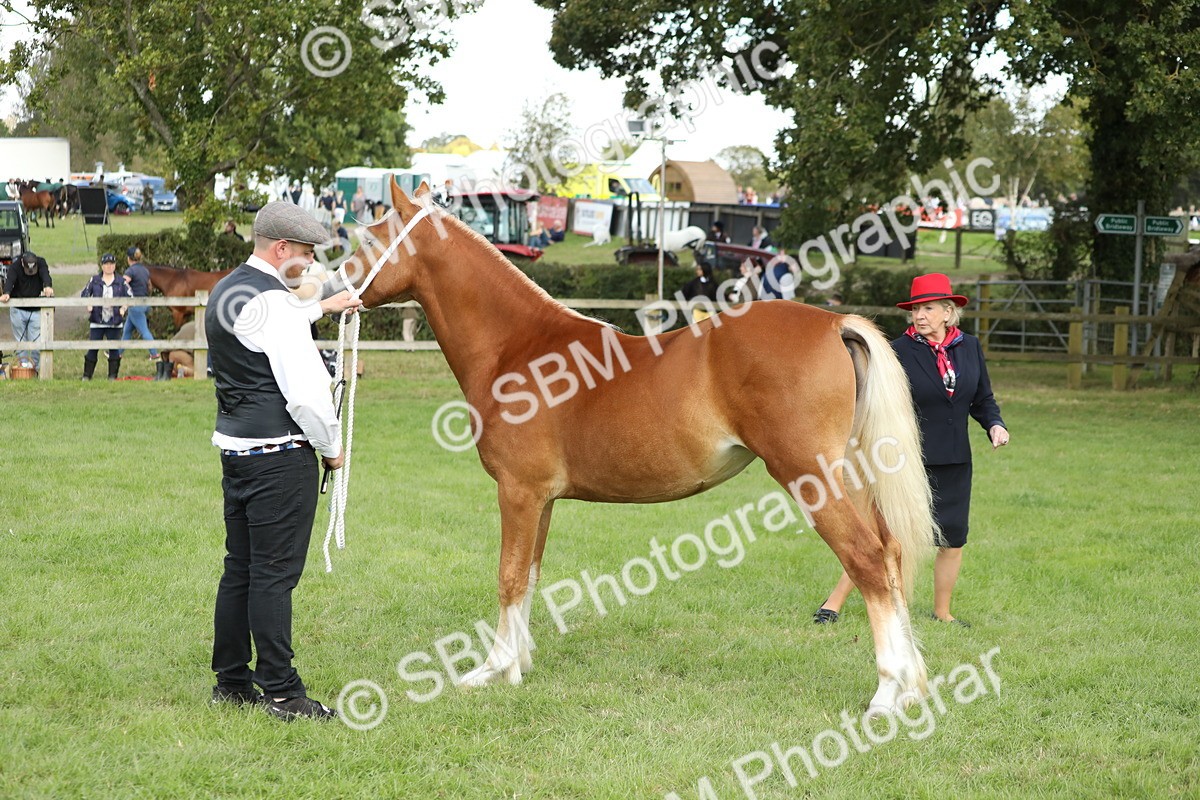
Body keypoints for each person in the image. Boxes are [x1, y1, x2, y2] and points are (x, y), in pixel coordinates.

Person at [208, 201, 362, 721]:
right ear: (281, 249)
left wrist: (326, 306)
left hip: (237, 449)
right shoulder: (274, 302)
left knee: (241, 569)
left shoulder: (229, 290)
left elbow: (271, 326)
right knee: (274, 576)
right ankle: (282, 692)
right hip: (280, 455)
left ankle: (231, 681)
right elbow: (306, 395)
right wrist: (332, 447)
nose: (309, 266)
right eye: (303, 255)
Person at [813, 273, 1009, 628]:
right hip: (904, 459)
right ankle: (833, 603)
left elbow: (982, 398)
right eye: (916, 308)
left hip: (955, 459)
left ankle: (942, 612)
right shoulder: (898, 353)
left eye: (928, 308)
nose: (920, 315)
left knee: (952, 538)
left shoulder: (970, 347)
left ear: (948, 313)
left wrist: (995, 424)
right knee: (887, 535)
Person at [0, 250, 54, 372]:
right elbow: (10, 281)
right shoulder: (15, 266)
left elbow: (46, 275)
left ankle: (36, 368)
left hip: (35, 310)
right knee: (21, 340)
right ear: (22, 263)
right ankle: (23, 368)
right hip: (18, 309)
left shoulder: (41, 262)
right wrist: (7, 293)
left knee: (36, 339)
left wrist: (47, 286)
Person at [80, 253, 132, 380]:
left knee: (114, 349)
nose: (109, 267)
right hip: (97, 320)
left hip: (114, 320)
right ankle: (87, 376)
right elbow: (85, 294)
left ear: (115, 266)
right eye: (106, 264)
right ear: (102, 266)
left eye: (111, 264)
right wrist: (89, 304)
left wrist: (123, 308)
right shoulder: (95, 280)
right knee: (93, 348)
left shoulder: (121, 282)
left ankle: (112, 376)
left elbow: (130, 297)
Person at [120, 246, 158, 363]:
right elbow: (149, 286)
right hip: (144, 302)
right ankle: (118, 353)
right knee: (127, 330)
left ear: (129, 258)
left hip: (135, 304)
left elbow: (123, 284)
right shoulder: (144, 270)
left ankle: (155, 354)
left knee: (144, 331)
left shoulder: (130, 271)